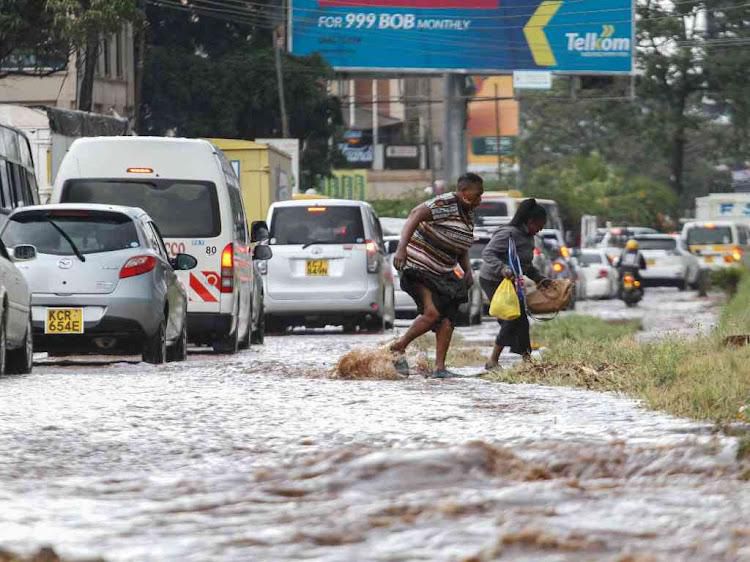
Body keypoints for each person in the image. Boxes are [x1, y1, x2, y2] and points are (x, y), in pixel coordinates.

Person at [390, 173, 484, 378]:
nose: (480, 200)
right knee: (432, 313)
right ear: (464, 192)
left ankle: (440, 368)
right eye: (478, 195)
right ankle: (398, 347)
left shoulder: (468, 214)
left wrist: (467, 270)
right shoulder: (445, 203)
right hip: (418, 266)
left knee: (448, 317)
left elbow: (461, 245)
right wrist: (401, 248)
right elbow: (415, 214)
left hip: (442, 271)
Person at [479, 198, 549, 369]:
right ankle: (492, 360)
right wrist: (502, 268)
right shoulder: (508, 233)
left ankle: (527, 361)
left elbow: (526, 265)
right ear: (530, 221)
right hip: (493, 280)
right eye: (539, 225)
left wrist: (541, 278)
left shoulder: (529, 238)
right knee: (510, 317)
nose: (540, 230)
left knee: (522, 321)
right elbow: (487, 254)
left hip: (512, 283)